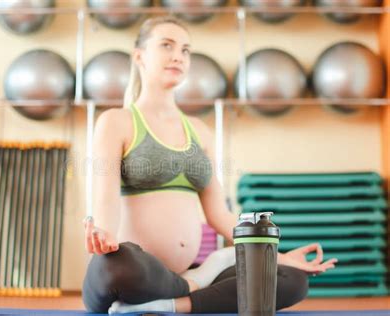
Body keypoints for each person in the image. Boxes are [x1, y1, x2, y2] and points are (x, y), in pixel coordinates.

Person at [82, 15, 337, 314]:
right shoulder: (116, 121)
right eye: (167, 45)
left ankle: (172, 303)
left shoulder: (200, 131)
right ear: (139, 56)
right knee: (119, 266)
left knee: (291, 280)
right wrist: (105, 235)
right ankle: (201, 279)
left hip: (183, 273)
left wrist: (273, 254)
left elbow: (219, 214)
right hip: (133, 270)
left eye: (186, 50)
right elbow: (106, 199)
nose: (178, 55)